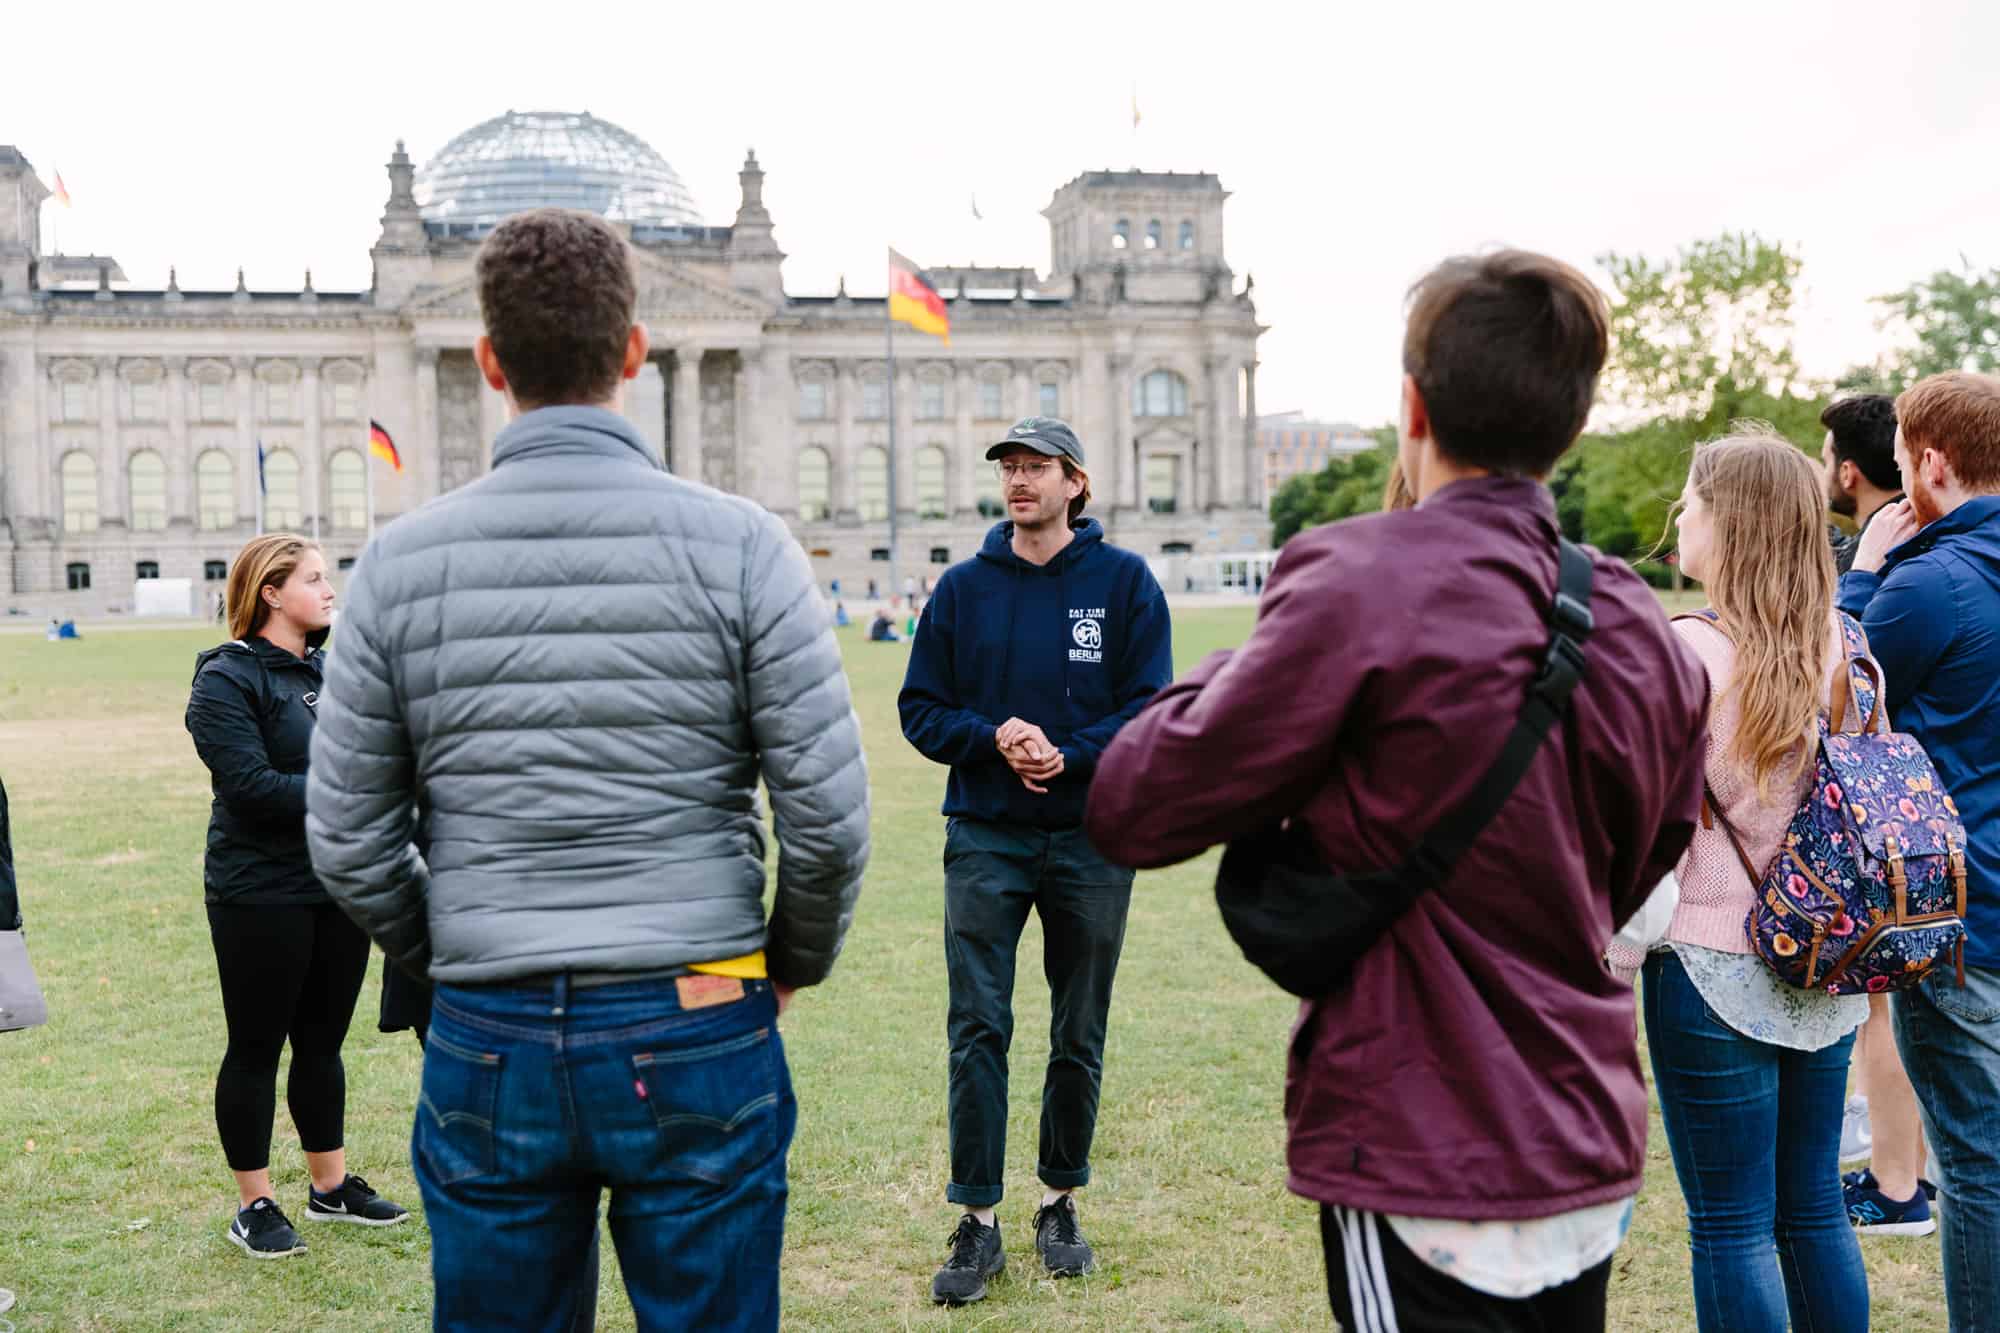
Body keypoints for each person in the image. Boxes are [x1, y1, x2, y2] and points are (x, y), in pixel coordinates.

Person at [1083, 251, 1710, 1330]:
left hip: (1427, 1142)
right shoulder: (1639, 622)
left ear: (1412, 407)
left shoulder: (1359, 577)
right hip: (1582, 1130)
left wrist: (1261, 650)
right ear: (1569, 423)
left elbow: (1134, 800)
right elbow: (1651, 850)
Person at [305, 207, 869, 1333]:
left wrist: (461, 950)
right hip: (698, 1000)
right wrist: (782, 965)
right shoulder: (748, 544)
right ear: (632, 352)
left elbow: (348, 835)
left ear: (487, 361)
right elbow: (827, 822)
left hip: (487, 1025)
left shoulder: (397, 563)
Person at [899, 416, 1171, 1306]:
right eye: (1010, 468)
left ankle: (1059, 1199)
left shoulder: (1126, 582)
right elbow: (921, 709)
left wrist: (1071, 750)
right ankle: (978, 1219)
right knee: (977, 1023)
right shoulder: (962, 589)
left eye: (1037, 468)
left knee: (1077, 1027)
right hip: (985, 831)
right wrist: (993, 736)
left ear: (1076, 484)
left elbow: (1150, 707)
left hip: (1092, 836)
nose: (1020, 481)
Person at [1638, 431, 1874, 1331]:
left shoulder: (1688, 652)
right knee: (1811, 1208)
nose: (1679, 517)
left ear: (1728, 524)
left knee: (1732, 1225)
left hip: (1707, 956)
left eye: (1691, 502)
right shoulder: (1846, 646)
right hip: (1829, 954)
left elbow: (1643, 831)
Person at [184, 533, 409, 1261]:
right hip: (258, 889)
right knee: (256, 1047)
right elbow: (248, 786)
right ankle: (253, 1203)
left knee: (322, 1042)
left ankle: (331, 1185)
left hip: (335, 880)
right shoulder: (227, 677)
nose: (330, 587)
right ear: (271, 593)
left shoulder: (335, 667)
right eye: (314, 577)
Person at [1839, 370, 2000, 1329]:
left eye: (1902, 458)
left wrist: (1862, 573)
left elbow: (1836, 688)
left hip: (1965, 912)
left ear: (1931, 462)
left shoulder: (1930, 581)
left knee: (1977, 1162)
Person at [1817, 394, 1934, 1232]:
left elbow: (1850, 669)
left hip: (1897, 813)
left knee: (1884, 1000)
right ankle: (1895, 1160)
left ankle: (1901, 1188)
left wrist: (1853, 584)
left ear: (1849, 469)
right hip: (1916, 813)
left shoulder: (1885, 555)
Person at [1821, 393, 1905, 577]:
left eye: (1826, 463)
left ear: (1846, 474)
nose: (1823, 475)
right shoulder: (1931, 532)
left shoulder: (1858, 566)